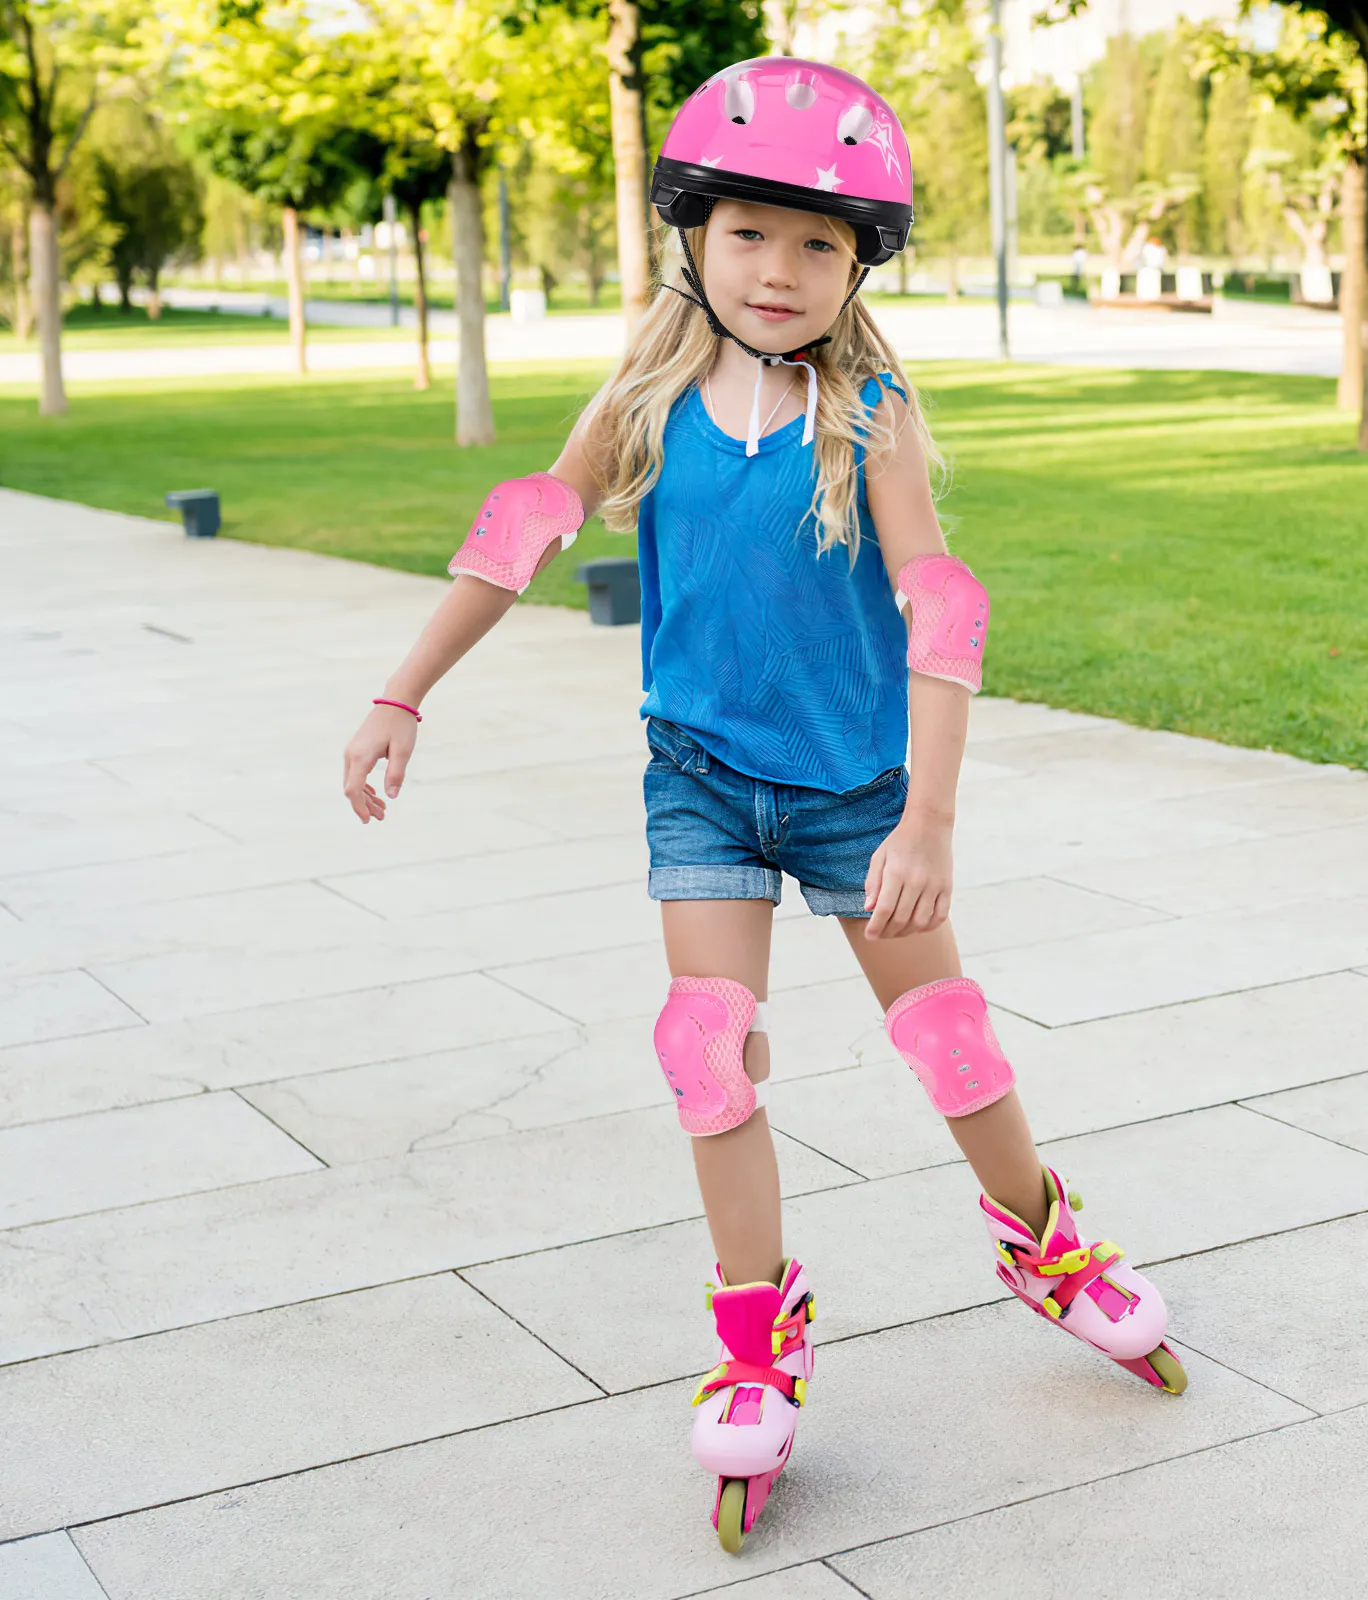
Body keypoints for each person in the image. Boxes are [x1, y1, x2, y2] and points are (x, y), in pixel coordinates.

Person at [341, 56, 1184, 1556]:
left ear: (861, 259)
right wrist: (403, 692)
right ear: (691, 236)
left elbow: (938, 602)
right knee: (705, 1053)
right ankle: (753, 1335)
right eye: (749, 233)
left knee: (947, 1040)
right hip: (704, 784)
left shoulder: (873, 413)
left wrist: (928, 819)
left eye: (818, 242)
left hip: (862, 788)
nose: (781, 269)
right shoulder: (647, 394)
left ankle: (1046, 1244)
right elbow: (518, 531)